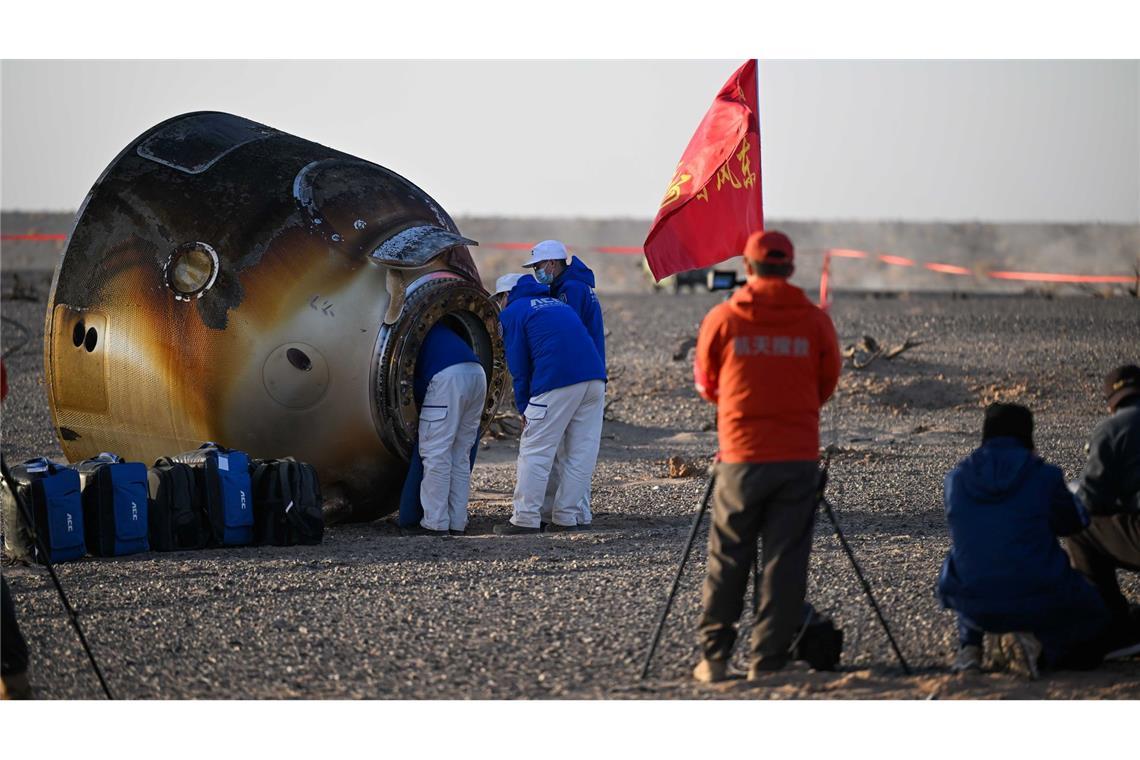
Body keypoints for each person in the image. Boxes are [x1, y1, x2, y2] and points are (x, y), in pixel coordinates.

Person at [690, 230, 841, 682]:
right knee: (784, 561)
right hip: (797, 456)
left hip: (740, 455)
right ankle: (768, 660)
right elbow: (827, 383)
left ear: (748, 267)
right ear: (790, 268)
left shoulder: (723, 317)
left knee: (727, 558)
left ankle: (715, 658)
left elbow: (706, 384)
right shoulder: (815, 321)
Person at [937, 403, 1111, 678]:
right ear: (1027, 435)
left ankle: (970, 647)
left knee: (971, 558)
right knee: (1095, 615)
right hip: (1036, 596)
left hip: (974, 602)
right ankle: (1040, 646)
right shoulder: (1044, 475)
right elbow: (1073, 524)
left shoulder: (956, 479)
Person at [492, 273, 606, 535]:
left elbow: (519, 367)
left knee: (535, 451)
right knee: (580, 454)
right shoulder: (559, 304)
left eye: (499, 299)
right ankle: (567, 517)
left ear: (507, 295)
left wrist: (524, 407)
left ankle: (524, 519)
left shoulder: (513, 313)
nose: (499, 305)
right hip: (595, 380)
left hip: (557, 382)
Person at [522, 239, 606, 528]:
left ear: (552, 263)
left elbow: (566, 335)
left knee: (565, 451)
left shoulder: (569, 291)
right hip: (593, 374)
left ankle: (556, 513)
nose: (536, 272)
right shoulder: (580, 285)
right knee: (580, 450)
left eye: (538, 266)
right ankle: (577, 514)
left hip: (571, 376)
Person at [1064, 364, 1140, 658]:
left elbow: (1091, 501)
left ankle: (1117, 628)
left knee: (1081, 527)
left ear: (1111, 403)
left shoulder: (1112, 428)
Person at [402, 321, 487, 536]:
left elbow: (408, 381)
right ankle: (457, 522)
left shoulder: (412, 333)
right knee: (460, 454)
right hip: (478, 374)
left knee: (436, 453)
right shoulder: (443, 332)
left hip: (448, 378)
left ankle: (435, 523)